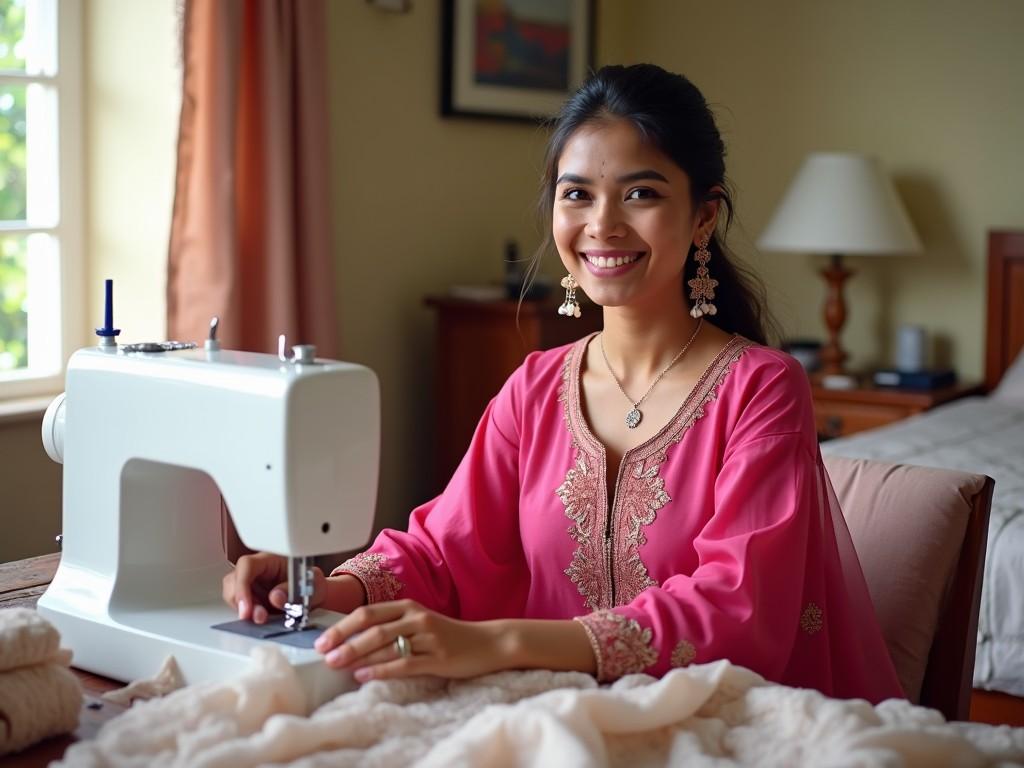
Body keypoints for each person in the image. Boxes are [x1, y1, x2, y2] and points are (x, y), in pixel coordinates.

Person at [223, 64, 905, 703]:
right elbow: (445, 549)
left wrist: (500, 643)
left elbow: (739, 606)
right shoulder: (536, 386)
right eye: (577, 194)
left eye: (641, 193)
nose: (602, 224)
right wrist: (322, 588)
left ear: (703, 216)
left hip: (713, 718)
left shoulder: (761, 389)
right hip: (550, 714)